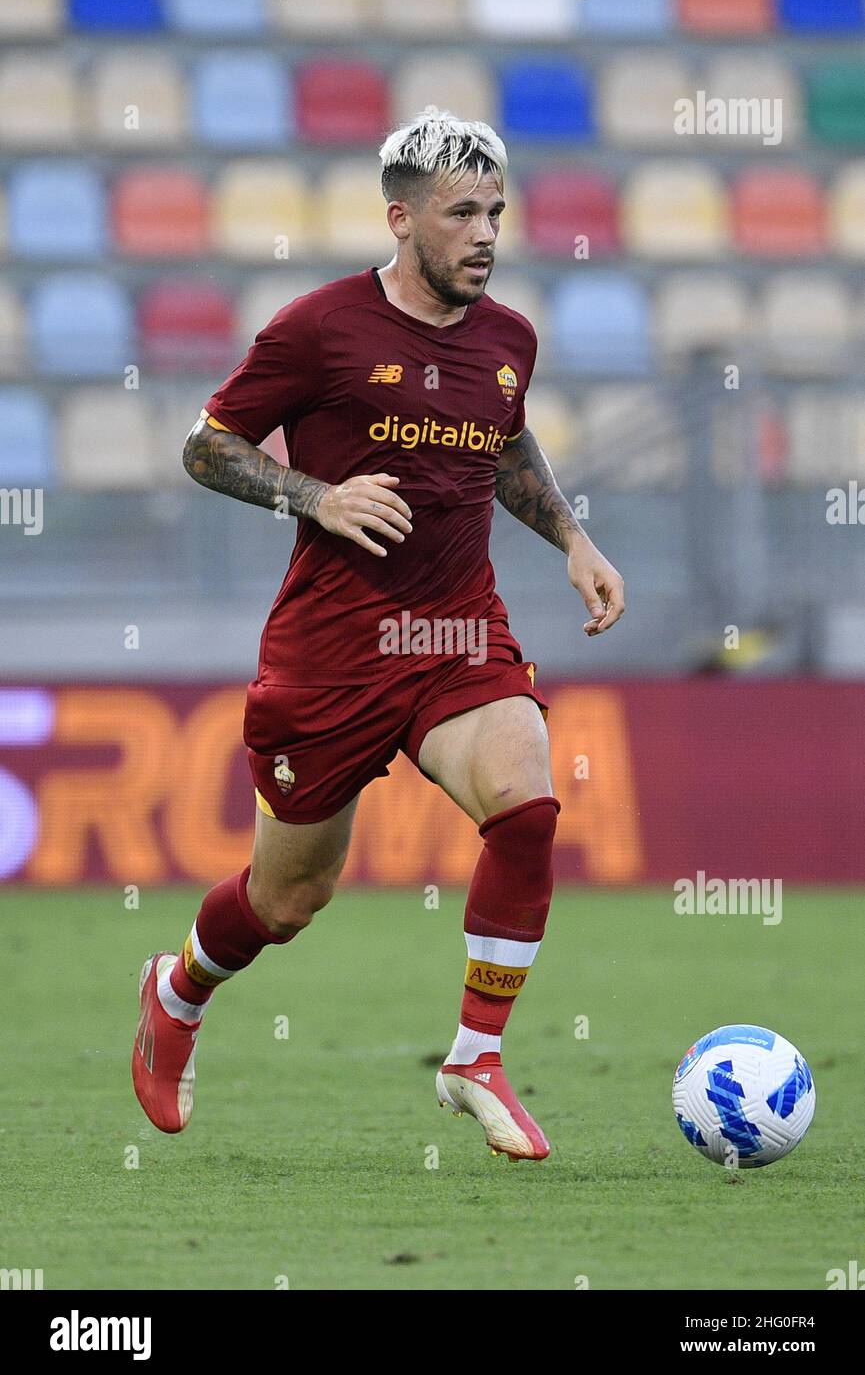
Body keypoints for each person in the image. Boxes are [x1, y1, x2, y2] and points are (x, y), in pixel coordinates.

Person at [132, 107, 624, 1161]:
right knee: (289, 895)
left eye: (496, 210)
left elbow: (502, 442)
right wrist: (315, 495)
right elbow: (205, 447)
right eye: (461, 213)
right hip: (333, 650)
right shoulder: (319, 329)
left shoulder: (509, 340)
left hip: (457, 631)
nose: (486, 233)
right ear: (401, 218)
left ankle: (473, 1057)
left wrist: (574, 540)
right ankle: (176, 992)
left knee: (528, 803)